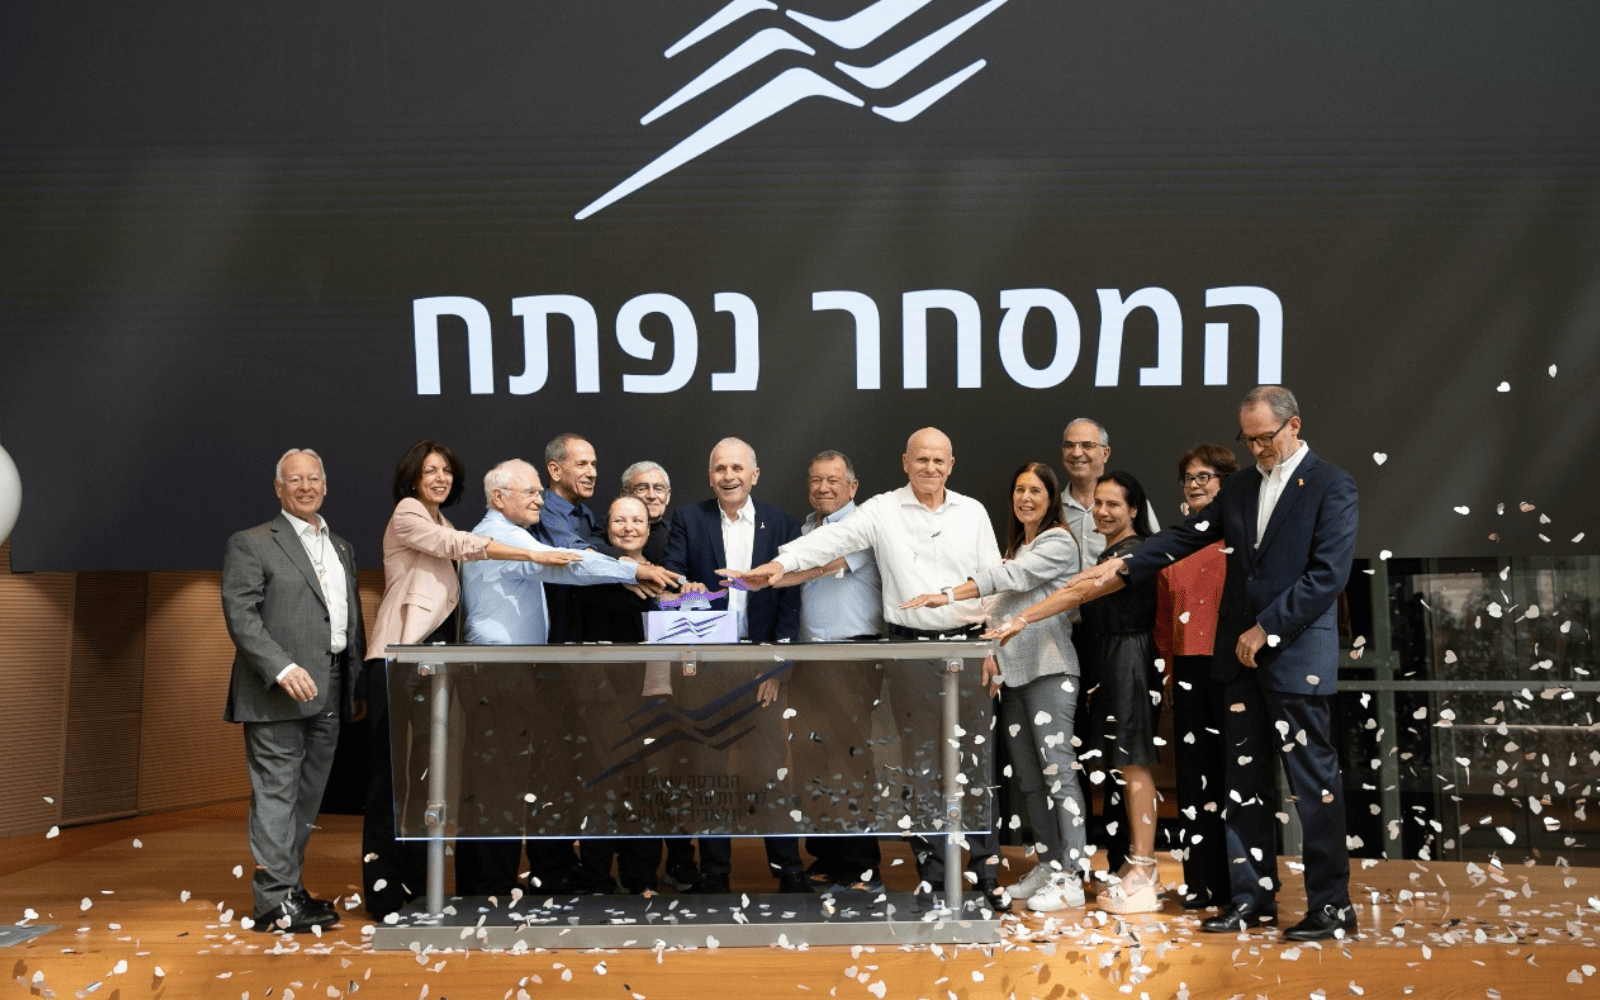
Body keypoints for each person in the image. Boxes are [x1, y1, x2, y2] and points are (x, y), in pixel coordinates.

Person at [992, 386, 1360, 941]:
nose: (1258, 447)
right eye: (1249, 438)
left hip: (1294, 657)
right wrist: (1103, 574)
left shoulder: (1333, 485)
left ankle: (1332, 908)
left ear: (1294, 426)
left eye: (1267, 436)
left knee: (1314, 786)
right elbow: (1177, 541)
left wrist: (1267, 627)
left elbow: (1328, 575)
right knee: (1243, 785)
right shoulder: (1237, 489)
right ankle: (1251, 898)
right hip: (1239, 662)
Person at [724, 428, 1003, 906]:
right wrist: (778, 566)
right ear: (905, 462)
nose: (929, 468)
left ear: (951, 464)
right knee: (920, 769)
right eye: (921, 460)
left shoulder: (973, 512)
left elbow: (994, 578)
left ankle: (984, 875)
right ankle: (935, 877)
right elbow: (829, 540)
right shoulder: (881, 510)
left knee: (974, 767)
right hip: (909, 653)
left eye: (938, 460)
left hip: (969, 650)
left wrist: (995, 645)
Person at [455, 461, 678, 898]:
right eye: (531, 492)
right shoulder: (504, 537)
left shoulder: (513, 535)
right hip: (499, 673)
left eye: (540, 492)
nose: (541, 499)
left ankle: (491, 885)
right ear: (499, 497)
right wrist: (636, 570)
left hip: (512, 674)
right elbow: (571, 567)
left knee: (504, 784)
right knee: (497, 785)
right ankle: (485, 890)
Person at [361, 439, 557, 918]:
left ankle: (413, 883)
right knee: (391, 782)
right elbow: (456, 547)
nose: (440, 478)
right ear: (412, 478)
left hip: (432, 663)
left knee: (426, 781)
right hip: (396, 656)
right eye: (430, 470)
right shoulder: (409, 513)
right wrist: (534, 556)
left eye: (446, 471)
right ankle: (383, 891)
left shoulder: (442, 519)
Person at [900, 462, 1086, 911]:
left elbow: (1009, 581)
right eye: (1019, 490)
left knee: (1058, 775)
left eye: (1035, 491)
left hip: (1049, 671)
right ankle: (1049, 863)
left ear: (1051, 497)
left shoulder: (1058, 542)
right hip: (1013, 676)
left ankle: (1074, 877)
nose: (1025, 498)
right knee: (1028, 780)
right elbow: (999, 608)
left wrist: (945, 595)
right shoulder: (1020, 545)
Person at [222, 449, 365, 934]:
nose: (305, 486)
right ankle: (273, 905)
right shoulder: (252, 543)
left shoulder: (341, 546)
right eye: (294, 479)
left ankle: (289, 889)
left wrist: (355, 683)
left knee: (307, 798)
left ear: (325, 484)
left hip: (330, 687)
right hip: (277, 691)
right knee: (276, 795)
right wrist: (281, 667)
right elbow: (241, 616)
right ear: (278, 488)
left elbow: (347, 619)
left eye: (313, 478)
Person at [660, 437, 808, 893]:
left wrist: (778, 667)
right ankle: (715, 875)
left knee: (770, 774)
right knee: (710, 775)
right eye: (720, 468)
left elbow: (790, 598)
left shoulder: (781, 522)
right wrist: (686, 590)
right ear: (710, 476)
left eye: (737, 468)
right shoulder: (688, 519)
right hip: (707, 668)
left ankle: (789, 872)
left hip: (761, 667)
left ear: (754, 475)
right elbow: (674, 578)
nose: (729, 476)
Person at [570, 495, 679, 895]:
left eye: (637, 521)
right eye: (620, 520)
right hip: (601, 697)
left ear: (649, 530)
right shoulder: (591, 574)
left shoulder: (665, 577)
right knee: (603, 784)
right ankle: (596, 876)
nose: (629, 527)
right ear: (607, 528)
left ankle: (641, 877)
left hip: (651, 695)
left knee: (646, 787)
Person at [787, 450, 885, 892]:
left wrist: (771, 572)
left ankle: (861, 864)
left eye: (833, 480)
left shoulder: (863, 526)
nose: (823, 488)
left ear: (852, 486)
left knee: (849, 759)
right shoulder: (806, 528)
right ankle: (826, 856)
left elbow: (824, 566)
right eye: (815, 480)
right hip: (809, 659)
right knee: (812, 760)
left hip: (851, 655)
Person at [1154, 444, 1239, 911]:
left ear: (1226, 484)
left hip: (1233, 670)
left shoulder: (1242, 541)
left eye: (1206, 476)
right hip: (1187, 671)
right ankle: (1200, 883)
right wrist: (1169, 673)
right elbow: (1164, 621)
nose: (1196, 483)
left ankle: (1241, 884)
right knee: (1192, 780)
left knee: (1235, 778)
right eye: (1189, 477)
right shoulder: (1174, 545)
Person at [621, 460, 674, 563]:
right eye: (642, 489)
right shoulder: (610, 527)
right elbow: (592, 547)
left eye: (658, 489)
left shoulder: (680, 534)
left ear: (667, 496)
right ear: (624, 495)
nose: (651, 496)